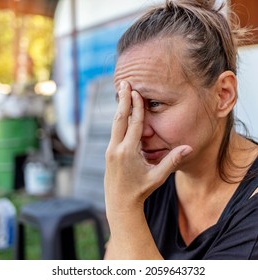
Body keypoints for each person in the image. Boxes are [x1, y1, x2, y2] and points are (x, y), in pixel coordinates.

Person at [104, 0, 258, 259]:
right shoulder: (149, 178)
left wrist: (123, 207)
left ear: (223, 95)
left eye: (154, 104)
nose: (138, 131)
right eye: (130, 108)